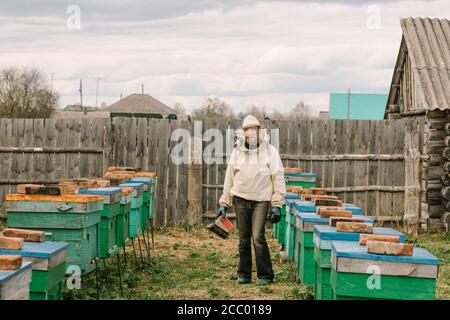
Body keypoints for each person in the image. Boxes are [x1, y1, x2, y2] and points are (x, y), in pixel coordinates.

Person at [217, 115, 286, 285]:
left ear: (259, 131)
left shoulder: (270, 151)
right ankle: (244, 274)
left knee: (258, 237)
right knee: (243, 239)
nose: (250, 132)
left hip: (261, 200)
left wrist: (277, 204)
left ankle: (266, 275)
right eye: (247, 129)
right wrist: (224, 203)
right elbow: (229, 178)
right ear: (243, 133)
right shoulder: (237, 152)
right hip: (240, 199)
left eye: (253, 129)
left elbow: (278, 177)